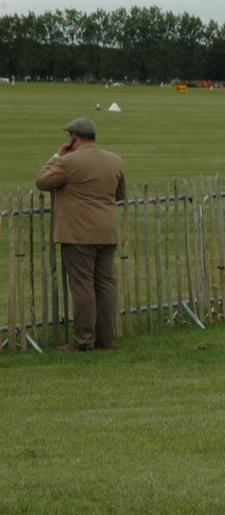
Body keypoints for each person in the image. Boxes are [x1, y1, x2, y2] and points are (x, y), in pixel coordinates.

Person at [35, 117, 125, 351]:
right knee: (106, 285)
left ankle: (83, 340)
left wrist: (57, 155)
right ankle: (107, 338)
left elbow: (42, 181)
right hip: (107, 232)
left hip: (79, 234)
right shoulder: (114, 160)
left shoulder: (68, 162)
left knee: (83, 285)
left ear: (74, 138)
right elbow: (119, 194)